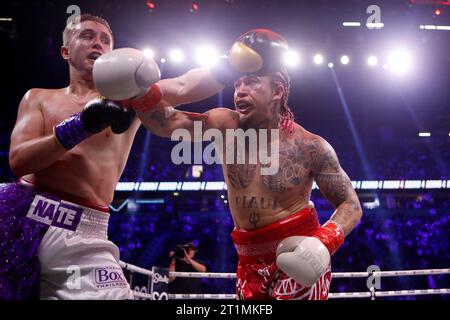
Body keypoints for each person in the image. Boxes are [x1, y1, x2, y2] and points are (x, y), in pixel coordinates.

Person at [0, 13, 233, 299]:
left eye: (105, 39)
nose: (97, 43)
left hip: (85, 230)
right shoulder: (37, 98)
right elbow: (18, 161)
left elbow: (185, 86)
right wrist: (80, 126)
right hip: (23, 217)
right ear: (65, 51)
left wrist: (233, 63)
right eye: (87, 36)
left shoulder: (130, 98)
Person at [135, 29, 363, 300]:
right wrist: (134, 91)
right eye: (237, 84)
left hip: (298, 250)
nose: (240, 91)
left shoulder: (310, 146)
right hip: (247, 259)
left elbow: (351, 204)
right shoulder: (224, 125)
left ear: (277, 90)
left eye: (252, 82)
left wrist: (324, 241)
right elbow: (166, 123)